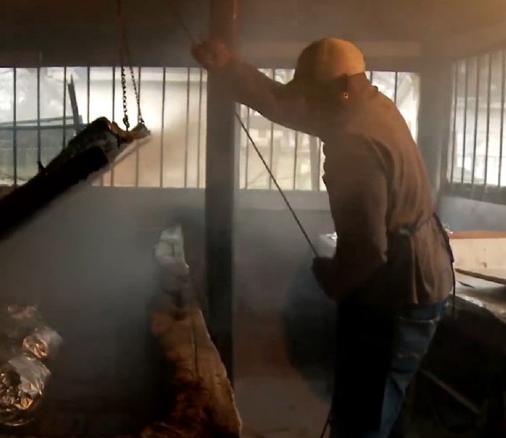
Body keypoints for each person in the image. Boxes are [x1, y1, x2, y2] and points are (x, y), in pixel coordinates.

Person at [191, 38, 456, 437]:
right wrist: (231, 69)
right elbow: (287, 104)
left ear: (341, 88)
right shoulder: (369, 105)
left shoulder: (353, 140)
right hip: (414, 281)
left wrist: (334, 278)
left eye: (312, 94)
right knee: (383, 407)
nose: (307, 105)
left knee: (362, 419)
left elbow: (367, 249)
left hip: (401, 290)